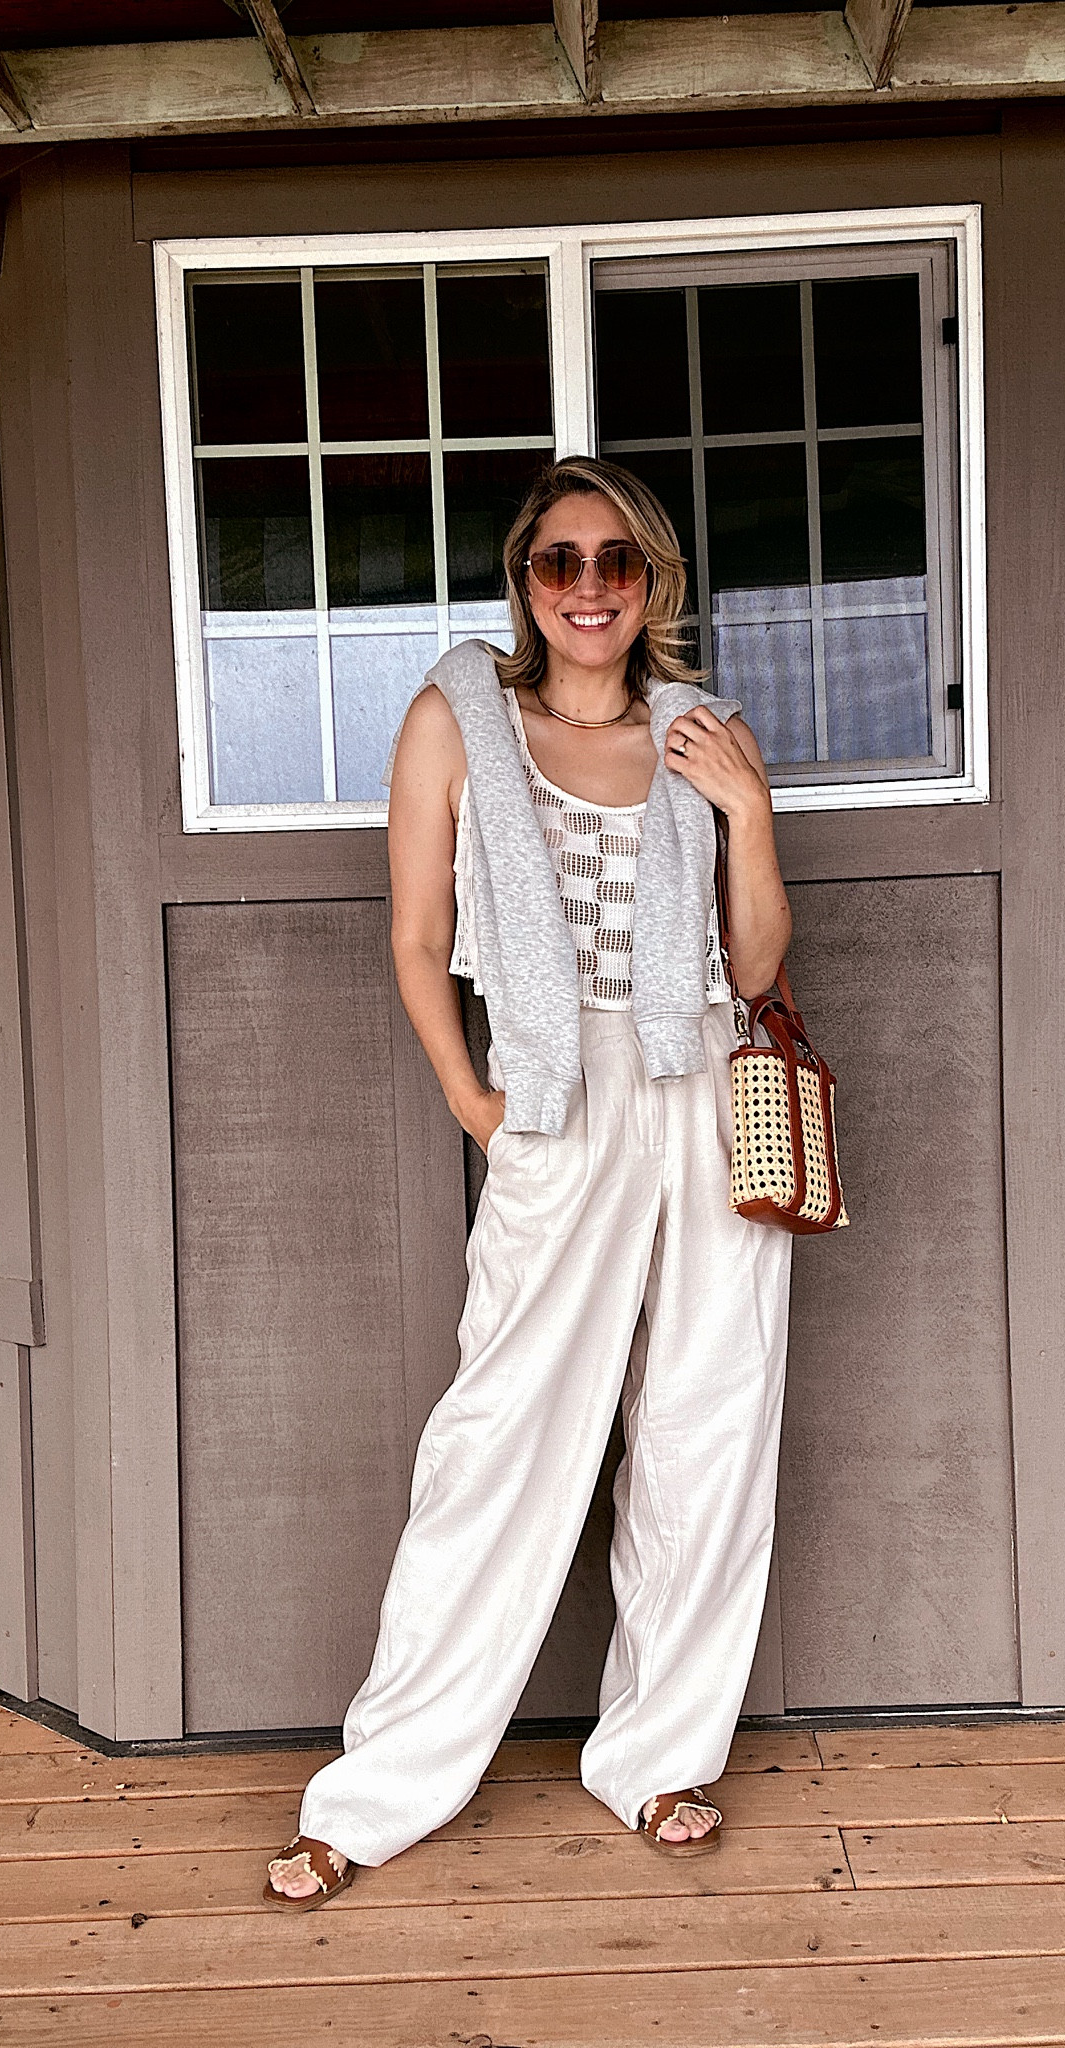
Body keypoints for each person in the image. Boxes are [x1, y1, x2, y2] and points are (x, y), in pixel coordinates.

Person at [263, 454, 794, 1910]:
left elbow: (754, 970)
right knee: (500, 1437)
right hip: (556, 1105)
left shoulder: (705, 732)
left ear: (651, 581)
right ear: (524, 580)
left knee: (709, 1422)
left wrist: (747, 810)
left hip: (704, 1087)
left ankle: (661, 1755)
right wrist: (476, 1104)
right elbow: (414, 934)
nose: (588, 588)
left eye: (616, 562)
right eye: (559, 562)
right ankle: (376, 1791)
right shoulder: (459, 722)